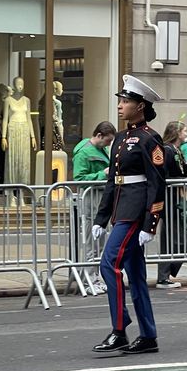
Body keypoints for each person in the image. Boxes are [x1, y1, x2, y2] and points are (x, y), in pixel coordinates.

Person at [90, 74, 165, 355]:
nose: (120, 105)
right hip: (121, 209)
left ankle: (119, 329)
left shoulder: (150, 139)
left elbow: (157, 184)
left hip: (135, 213)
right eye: (120, 101)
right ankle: (148, 335)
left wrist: (150, 222)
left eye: (126, 101)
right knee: (135, 274)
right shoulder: (120, 138)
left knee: (109, 264)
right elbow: (114, 182)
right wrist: (101, 217)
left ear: (141, 106)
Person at [72, 120, 117, 295]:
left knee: (98, 242)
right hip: (91, 203)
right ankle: (91, 279)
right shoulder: (84, 153)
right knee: (92, 244)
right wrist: (103, 173)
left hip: (99, 203)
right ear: (99, 136)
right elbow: (79, 179)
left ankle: (95, 278)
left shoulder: (99, 149)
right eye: (107, 141)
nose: (108, 144)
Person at [156, 121, 187, 289]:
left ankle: (167, 272)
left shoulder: (178, 150)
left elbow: (184, 172)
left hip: (177, 197)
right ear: (177, 133)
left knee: (179, 239)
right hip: (170, 198)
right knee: (171, 238)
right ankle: (163, 276)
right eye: (184, 131)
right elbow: (165, 173)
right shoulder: (167, 150)